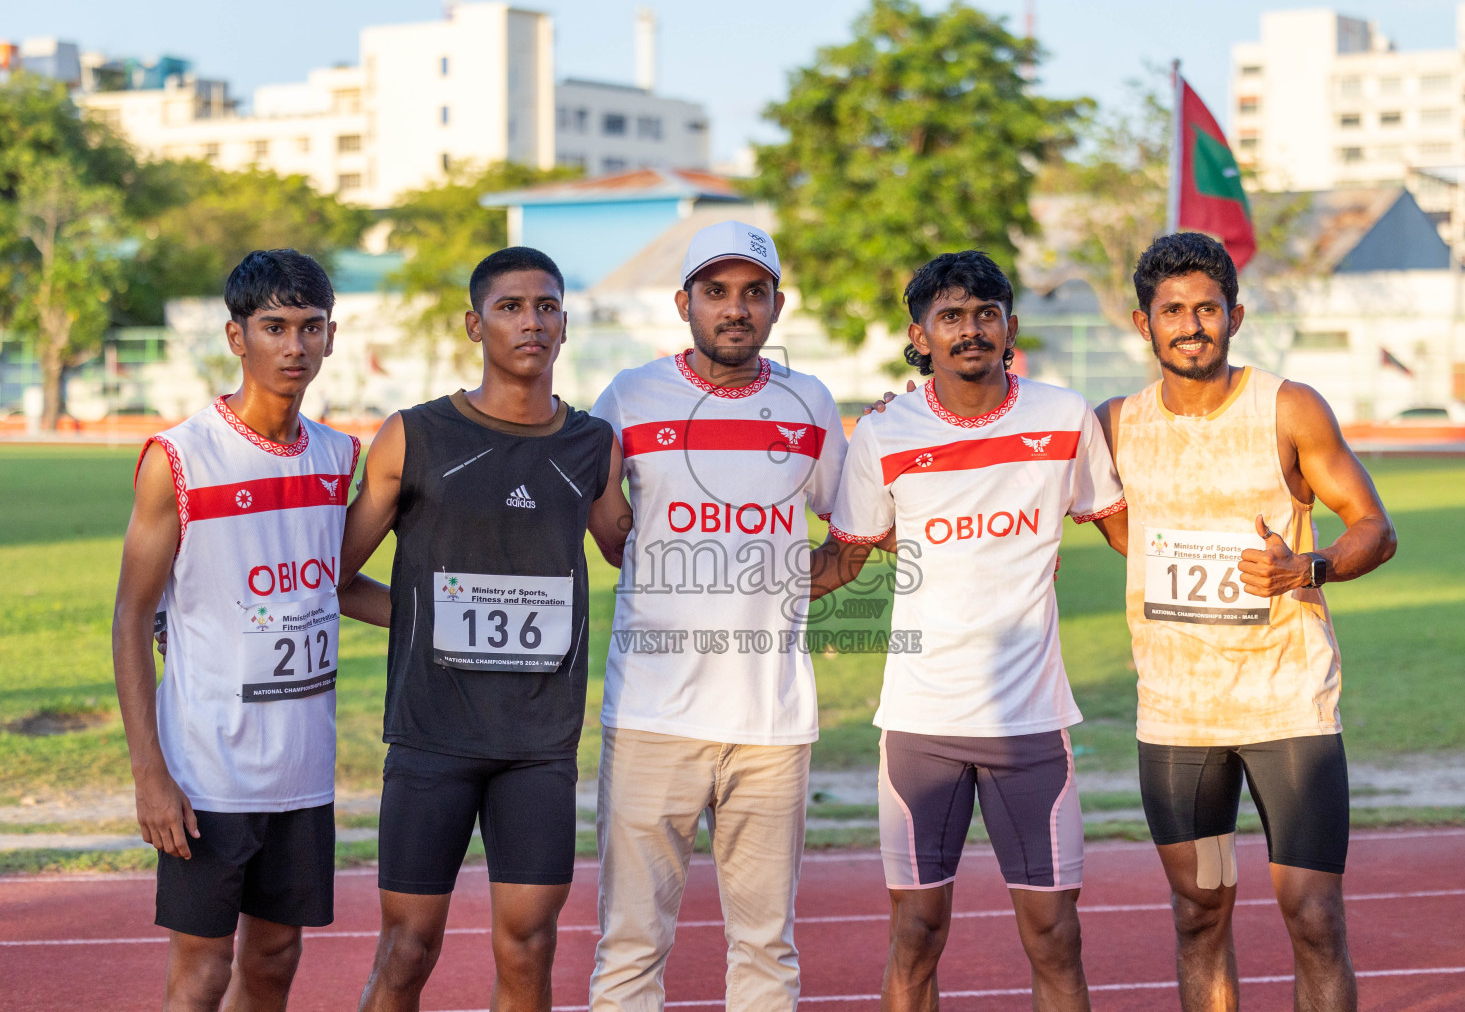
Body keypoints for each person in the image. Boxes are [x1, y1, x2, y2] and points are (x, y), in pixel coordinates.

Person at [814, 250, 1127, 1012]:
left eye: (986, 313)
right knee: (916, 933)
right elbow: (845, 558)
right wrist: (733, 585)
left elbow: (1131, 535)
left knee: (1055, 937)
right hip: (922, 727)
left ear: (1011, 327)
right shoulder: (884, 433)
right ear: (919, 335)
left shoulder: (1062, 416)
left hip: (1031, 727)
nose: (970, 330)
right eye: (951, 316)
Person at [1096, 232, 1396, 1012]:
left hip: (1286, 703)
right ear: (1142, 323)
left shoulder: (1287, 407)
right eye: (1172, 311)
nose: (1191, 325)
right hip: (1176, 715)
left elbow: (1374, 526)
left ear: (1235, 313)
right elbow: (1006, 444)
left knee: (1313, 917)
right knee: (1199, 915)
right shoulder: (1113, 426)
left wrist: (1312, 566)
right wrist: (903, 402)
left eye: (1207, 308)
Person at [336, 246, 629, 1012]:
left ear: (565, 324)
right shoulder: (414, 435)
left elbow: (631, 551)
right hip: (433, 735)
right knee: (407, 950)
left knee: (529, 949)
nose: (530, 321)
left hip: (538, 743)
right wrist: (427, 619)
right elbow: (333, 575)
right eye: (510, 307)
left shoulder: (593, 445)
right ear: (475, 323)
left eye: (546, 306)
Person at [112, 249, 389, 1012]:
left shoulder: (338, 457)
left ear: (332, 337)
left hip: (301, 765)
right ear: (238, 337)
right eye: (274, 327)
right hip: (207, 769)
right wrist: (150, 772)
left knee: (274, 959)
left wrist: (437, 618)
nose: (294, 346)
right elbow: (132, 614)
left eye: (310, 327)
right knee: (201, 974)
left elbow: (335, 583)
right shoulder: (181, 458)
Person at [586, 221, 848, 1012]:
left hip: (770, 723)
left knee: (766, 947)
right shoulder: (628, 396)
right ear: (684, 303)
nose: (735, 309)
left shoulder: (810, 402)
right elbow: (608, 532)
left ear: (775, 305)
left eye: (753, 293)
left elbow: (855, 526)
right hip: (650, 717)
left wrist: (788, 587)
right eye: (716, 292)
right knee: (631, 944)